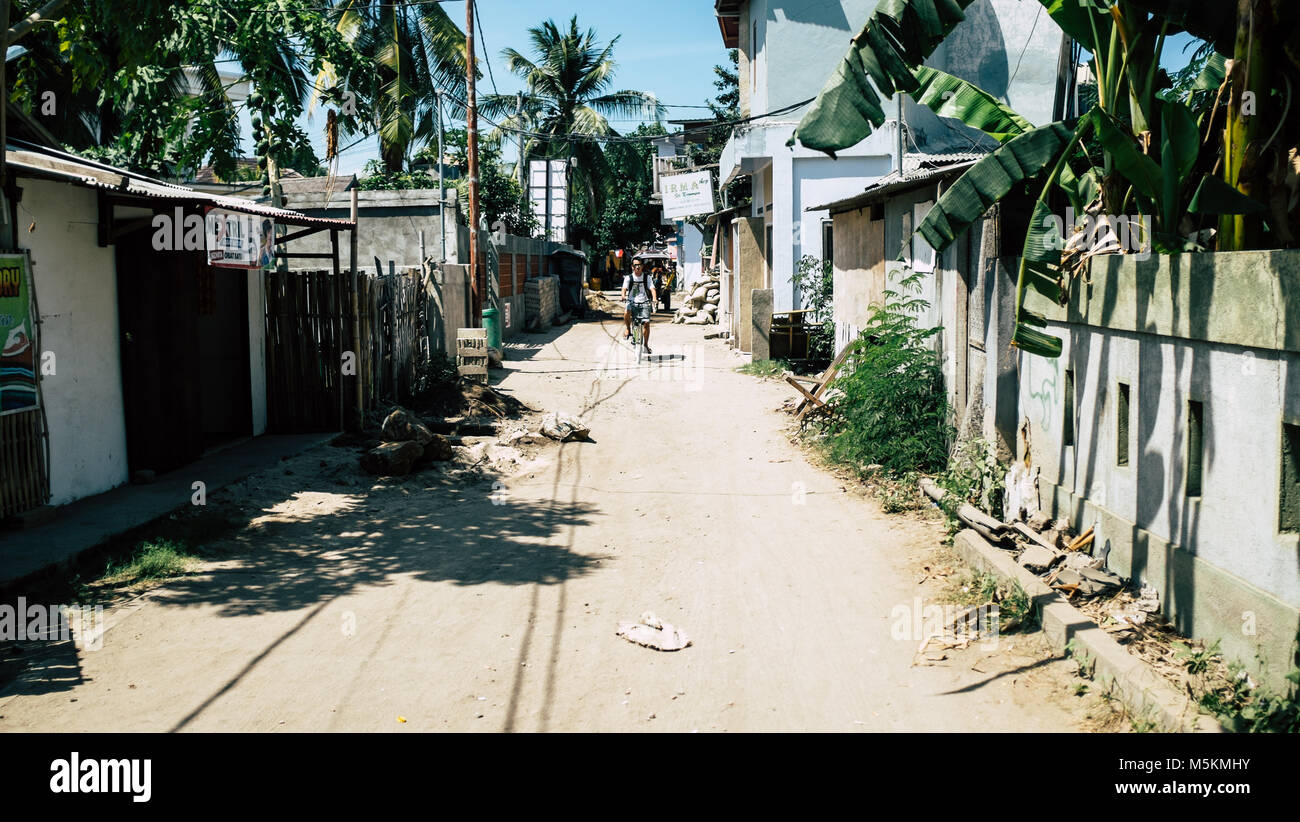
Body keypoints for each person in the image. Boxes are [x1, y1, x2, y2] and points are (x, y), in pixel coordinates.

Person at [621, 258, 657, 354]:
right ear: (632, 267)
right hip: (631, 301)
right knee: (626, 312)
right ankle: (628, 329)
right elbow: (624, 288)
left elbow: (652, 289)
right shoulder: (629, 278)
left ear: (642, 266)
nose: (637, 267)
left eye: (639, 264)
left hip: (644, 301)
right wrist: (623, 296)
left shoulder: (647, 277)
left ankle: (645, 345)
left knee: (646, 323)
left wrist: (654, 298)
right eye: (635, 265)